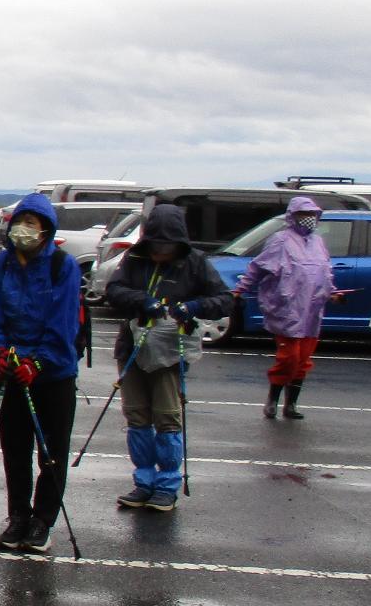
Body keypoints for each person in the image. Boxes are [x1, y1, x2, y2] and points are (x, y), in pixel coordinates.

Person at [103, 203, 235, 511]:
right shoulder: (134, 259)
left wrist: (192, 307)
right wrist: (143, 301)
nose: (160, 252)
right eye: (156, 246)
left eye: (167, 246)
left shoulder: (195, 263)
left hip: (171, 354)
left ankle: (167, 484)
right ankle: (143, 481)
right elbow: (114, 291)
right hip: (134, 348)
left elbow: (224, 300)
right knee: (136, 416)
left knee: (167, 417)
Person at [0, 194, 86, 553]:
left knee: (52, 450)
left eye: (32, 223)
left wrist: (37, 362)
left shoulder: (62, 265)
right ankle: (18, 516)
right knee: (15, 447)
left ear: (45, 230)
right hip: (10, 369)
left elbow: (64, 321)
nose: (24, 229)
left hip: (52, 374)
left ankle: (43, 520)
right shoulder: (2, 264)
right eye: (20, 222)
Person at [234, 195, 342, 420]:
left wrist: (332, 292)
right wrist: (240, 289)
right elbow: (257, 267)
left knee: (303, 359)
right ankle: (272, 399)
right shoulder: (280, 241)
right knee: (289, 357)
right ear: (293, 216)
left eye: (312, 215)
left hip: (312, 309)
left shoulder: (318, 242)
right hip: (287, 308)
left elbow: (325, 272)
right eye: (304, 214)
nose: (309, 219)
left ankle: (291, 404)